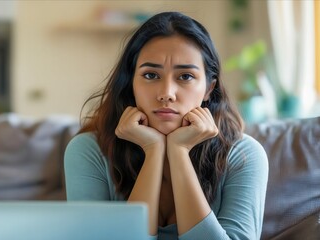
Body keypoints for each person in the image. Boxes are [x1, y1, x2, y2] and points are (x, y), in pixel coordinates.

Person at [64, 11, 268, 240]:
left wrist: (179, 152)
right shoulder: (88, 151)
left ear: (209, 89)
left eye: (185, 76)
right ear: (131, 83)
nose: (166, 94)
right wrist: (153, 151)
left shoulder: (244, 155)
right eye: (151, 75)